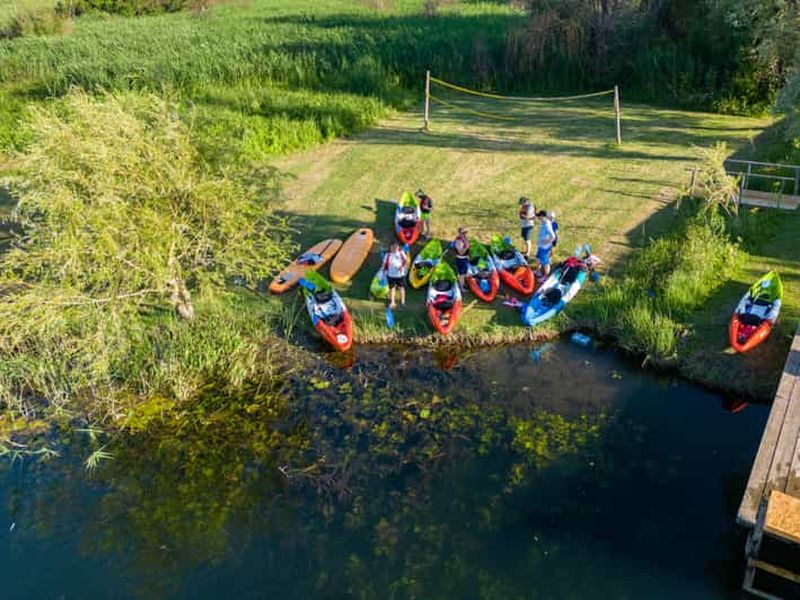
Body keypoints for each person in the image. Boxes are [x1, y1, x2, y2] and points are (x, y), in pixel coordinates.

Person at [384, 242, 408, 309]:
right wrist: (383, 273)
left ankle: (403, 302)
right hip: (391, 275)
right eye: (392, 247)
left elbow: (405, 261)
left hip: (400, 275)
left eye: (395, 246)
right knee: (392, 289)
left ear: (398, 247)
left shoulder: (401, 253)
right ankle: (392, 302)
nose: (394, 248)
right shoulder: (387, 255)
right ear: (390, 248)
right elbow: (385, 265)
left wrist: (402, 267)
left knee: (401, 288)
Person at [535, 210, 555, 279]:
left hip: (544, 248)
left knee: (546, 263)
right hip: (540, 246)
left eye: (539, 217)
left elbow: (553, 237)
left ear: (543, 216)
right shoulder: (543, 222)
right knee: (537, 259)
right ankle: (538, 271)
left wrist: (546, 241)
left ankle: (545, 276)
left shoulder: (547, 225)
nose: (538, 218)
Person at [453, 226, 470, 290]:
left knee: (464, 272)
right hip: (461, 259)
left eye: (465, 232)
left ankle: (463, 283)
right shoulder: (459, 241)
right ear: (459, 233)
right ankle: (462, 288)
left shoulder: (464, 238)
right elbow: (460, 252)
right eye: (463, 233)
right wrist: (466, 247)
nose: (465, 234)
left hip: (465, 258)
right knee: (462, 274)